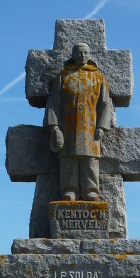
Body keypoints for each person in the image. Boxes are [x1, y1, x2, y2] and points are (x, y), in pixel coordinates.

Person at [44, 43, 112, 201]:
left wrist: (102, 126)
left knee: (90, 159)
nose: (82, 56)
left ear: (89, 55)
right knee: (69, 158)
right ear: (73, 55)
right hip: (68, 126)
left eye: (85, 53)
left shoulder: (98, 78)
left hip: (90, 127)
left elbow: (105, 105)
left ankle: (91, 190)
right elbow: (54, 104)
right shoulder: (64, 77)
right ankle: (70, 189)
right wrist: (54, 127)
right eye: (79, 53)